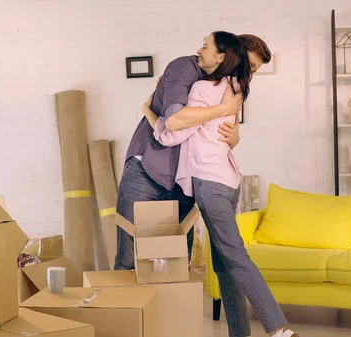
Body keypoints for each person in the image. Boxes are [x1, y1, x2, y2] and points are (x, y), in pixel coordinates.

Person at [141, 31, 298, 337]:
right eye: (250, 65)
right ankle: (240, 333)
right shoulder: (235, 90)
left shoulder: (203, 88)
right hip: (228, 182)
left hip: (210, 182)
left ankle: (278, 329)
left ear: (225, 54)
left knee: (235, 257)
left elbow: (168, 132)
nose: (250, 73)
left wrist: (148, 108)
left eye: (206, 46)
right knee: (225, 265)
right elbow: (224, 135)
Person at [114, 33, 271, 272]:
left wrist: (234, 136)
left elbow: (223, 135)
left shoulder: (227, 86)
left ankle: (169, 309)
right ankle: (128, 308)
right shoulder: (185, 68)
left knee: (175, 259)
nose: (249, 74)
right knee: (131, 253)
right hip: (148, 168)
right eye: (249, 65)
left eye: (254, 70)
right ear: (231, 55)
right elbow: (174, 123)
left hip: (183, 179)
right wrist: (221, 109)